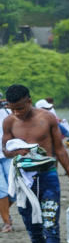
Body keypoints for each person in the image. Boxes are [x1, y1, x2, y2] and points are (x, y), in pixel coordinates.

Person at [1, 84, 69, 243]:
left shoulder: (47, 118)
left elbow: (60, 149)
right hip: (23, 182)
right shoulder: (9, 121)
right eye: (13, 108)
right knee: (34, 230)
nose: (17, 112)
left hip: (48, 177)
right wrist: (16, 151)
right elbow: (6, 149)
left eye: (20, 107)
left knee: (51, 226)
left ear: (29, 100)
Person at [0, 95, 12, 232]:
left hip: (8, 155)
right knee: (2, 190)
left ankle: (4, 214)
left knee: (13, 191)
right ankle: (7, 222)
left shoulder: (9, 113)